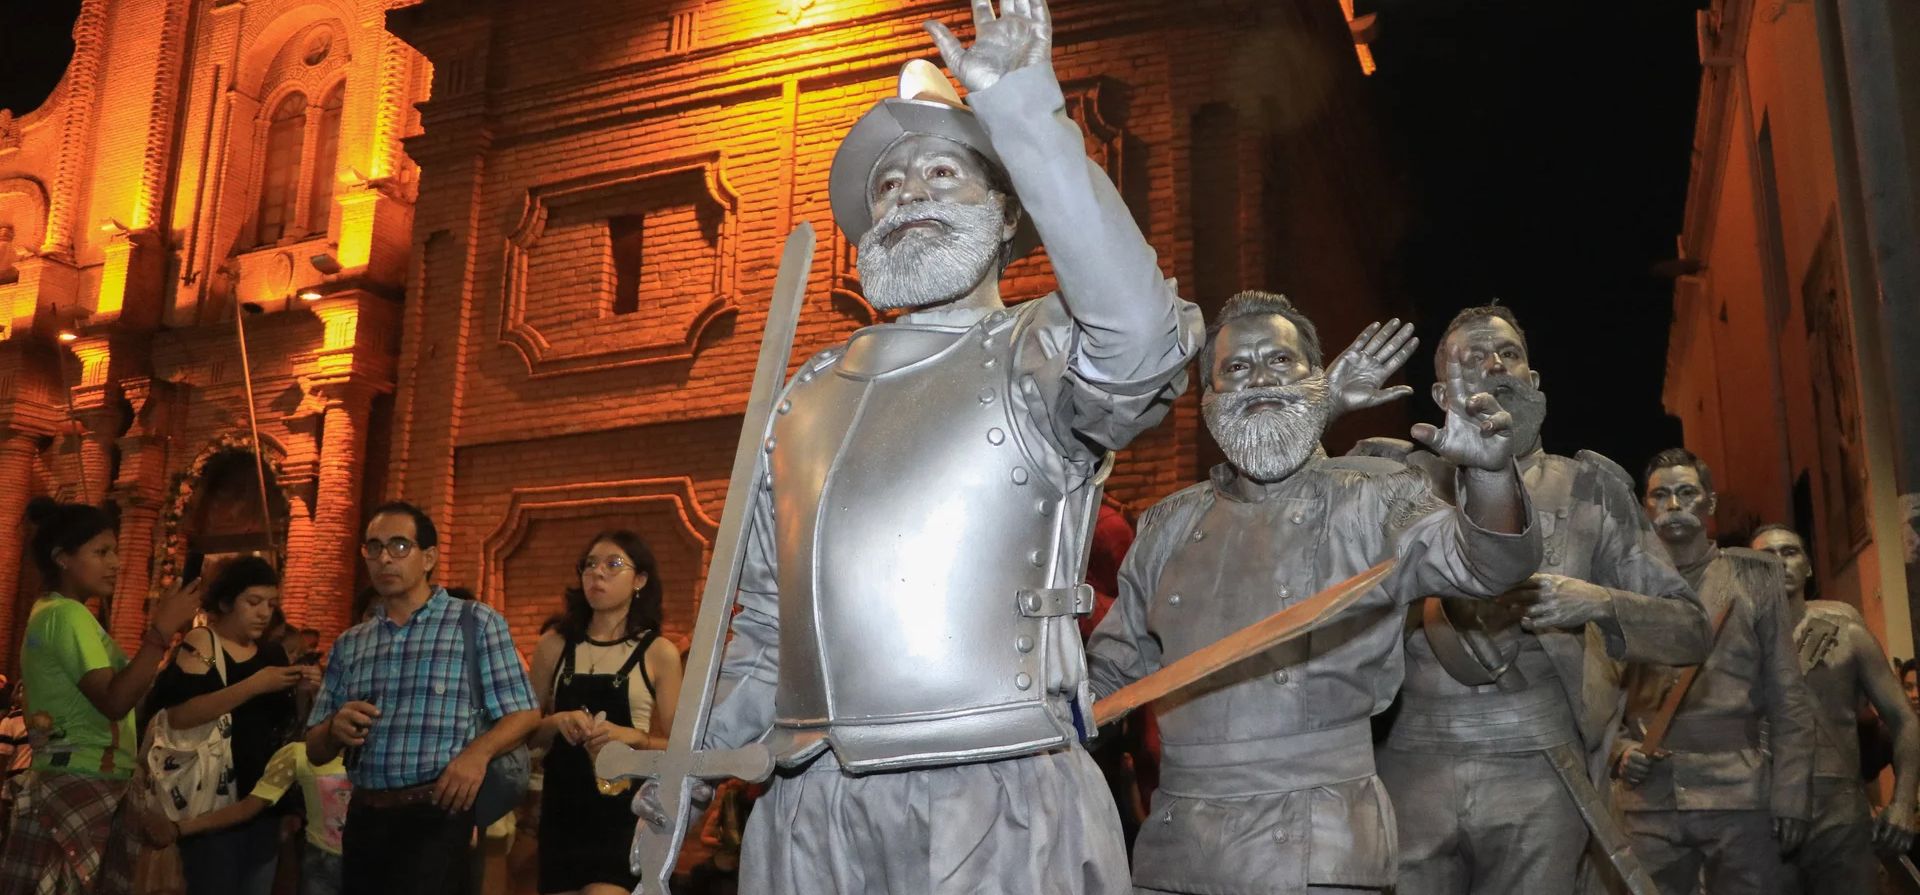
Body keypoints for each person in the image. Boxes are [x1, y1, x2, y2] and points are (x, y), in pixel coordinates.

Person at [680, 1, 1203, 891]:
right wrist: (692, 777)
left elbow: (1143, 340)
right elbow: (767, 624)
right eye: (887, 185)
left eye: (942, 172)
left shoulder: (1042, 349)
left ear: (1009, 215)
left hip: (997, 794)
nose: (907, 192)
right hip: (813, 810)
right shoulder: (804, 394)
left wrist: (1023, 113)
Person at [1085, 292, 1542, 895]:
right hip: (1178, 847)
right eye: (1237, 369)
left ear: (1317, 382)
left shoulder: (1375, 496)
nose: (1260, 382)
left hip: (1322, 846)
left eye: (1281, 363)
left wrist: (1488, 474)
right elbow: (1113, 670)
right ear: (1211, 401)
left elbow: (1487, 565)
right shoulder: (1166, 524)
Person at [1369, 304, 1709, 894]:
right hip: (1412, 763)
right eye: (1471, 358)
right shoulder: (1393, 483)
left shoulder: (1589, 490)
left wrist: (1599, 600)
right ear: (1441, 393)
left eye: (1509, 354)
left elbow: (1690, 629)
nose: (1493, 365)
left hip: (1539, 766)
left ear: (1534, 382)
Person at [305, 501, 539, 895]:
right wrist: (334, 726)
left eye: (399, 546)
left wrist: (476, 756)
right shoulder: (351, 643)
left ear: (428, 557)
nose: (384, 559)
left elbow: (525, 712)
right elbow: (314, 747)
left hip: (439, 813)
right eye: (373, 547)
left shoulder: (474, 622)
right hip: (364, 815)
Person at [1614, 449, 1818, 894]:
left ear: (1710, 502)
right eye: (1660, 495)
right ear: (1645, 506)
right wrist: (1618, 749)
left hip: (1738, 791)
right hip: (1649, 795)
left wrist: (1790, 793)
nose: (1673, 505)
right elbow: (1599, 687)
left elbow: (1787, 695)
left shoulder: (1753, 579)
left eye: (1687, 493)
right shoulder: (1621, 586)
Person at [0, 498, 202, 895]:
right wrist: (160, 631)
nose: (115, 563)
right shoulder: (66, 615)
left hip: (86, 776)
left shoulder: (58, 613)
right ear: (62, 558)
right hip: (79, 775)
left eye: (114, 551)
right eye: (101, 552)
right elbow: (114, 700)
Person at [1749, 523, 1920, 892]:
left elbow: (1904, 719)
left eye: (1789, 552)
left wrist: (1904, 802)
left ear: (1808, 566)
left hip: (1839, 814)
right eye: (1766, 557)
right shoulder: (1733, 644)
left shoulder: (1847, 635)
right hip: (1760, 814)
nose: (1779, 563)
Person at [140, 555, 316, 895]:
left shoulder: (272, 654)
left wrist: (304, 692)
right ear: (225, 601)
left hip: (261, 804)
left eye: (270, 604)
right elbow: (179, 715)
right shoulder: (203, 642)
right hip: (209, 804)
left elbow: (281, 725)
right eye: (253, 602)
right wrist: (255, 685)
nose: (264, 612)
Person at [528, 530, 682, 895]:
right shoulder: (554, 646)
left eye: (613, 565)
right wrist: (555, 721)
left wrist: (636, 738)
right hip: (562, 808)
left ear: (640, 580)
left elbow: (682, 751)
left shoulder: (658, 652)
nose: (598, 574)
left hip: (624, 813)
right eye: (590, 565)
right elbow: (526, 734)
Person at [156, 739, 350, 895]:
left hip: (370, 862)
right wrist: (181, 828)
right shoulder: (299, 754)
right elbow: (247, 807)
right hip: (322, 866)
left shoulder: (375, 756)